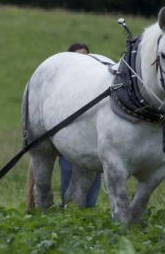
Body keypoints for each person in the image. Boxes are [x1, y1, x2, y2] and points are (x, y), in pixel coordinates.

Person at [59, 43, 102, 207]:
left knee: (90, 201)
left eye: (86, 57)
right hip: (69, 152)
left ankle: (85, 224)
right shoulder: (64, 87)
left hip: (93, 150)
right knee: (68, 198)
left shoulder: (95, 87)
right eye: (78, 57)